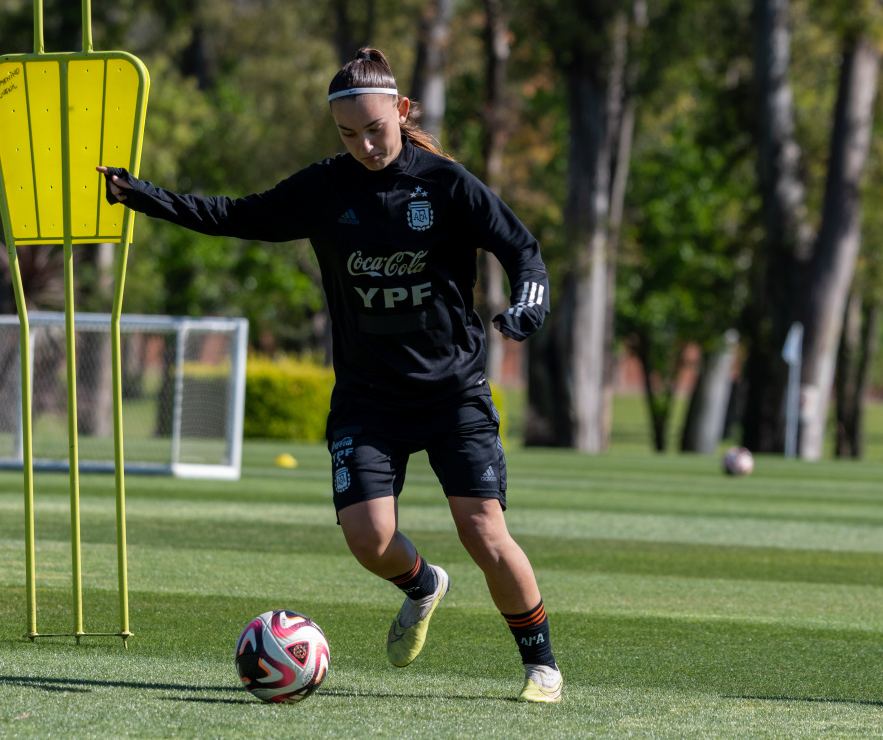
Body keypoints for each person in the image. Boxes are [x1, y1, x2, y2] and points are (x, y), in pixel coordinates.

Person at [98, 47, 561, 703]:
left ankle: (541, 666)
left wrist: (527, 303)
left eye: (376, 128)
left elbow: (523, 250)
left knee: (483, 531)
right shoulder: (323, 189)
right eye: (349, 134)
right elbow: (235, 215)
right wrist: (144, 197)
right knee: (368, 540)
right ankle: (424, 584)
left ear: (401, 112)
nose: (366, 145)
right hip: (368, 400)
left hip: (453, 392)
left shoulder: (447, 185)